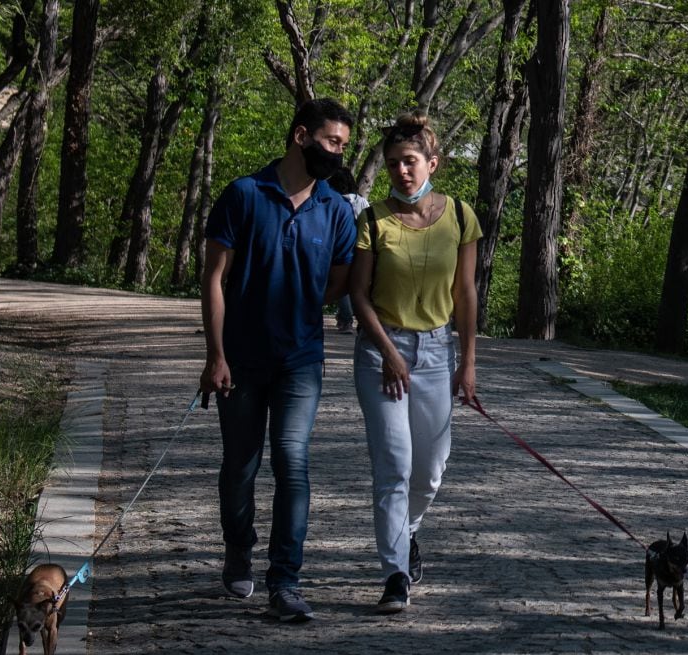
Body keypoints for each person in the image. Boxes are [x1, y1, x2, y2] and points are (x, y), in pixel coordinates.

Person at [199, 97, 356, 623]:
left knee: (293, 462)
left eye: (343, 146)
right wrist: (216, 355)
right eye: (332, 142)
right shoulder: (244, 194)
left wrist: (305, 301)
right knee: (241, 467)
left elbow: (338, 282)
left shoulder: (334, 208)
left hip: (300, 362)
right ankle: (238, 547)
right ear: (300, 136)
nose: (337, 154)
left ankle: (285, 579)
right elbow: (213, 278)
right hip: (240, 361)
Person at [348, 113, 481, 614]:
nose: (401, 172)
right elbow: (358, 296)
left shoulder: (461, 216)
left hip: (437, 352)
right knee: (395, 468)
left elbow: (465, 294)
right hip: (381, 352)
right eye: (392, 164)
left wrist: (467, 363)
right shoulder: (372, 219)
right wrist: (386, 351)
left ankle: (409, 532)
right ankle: (395, 574)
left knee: (430, 471)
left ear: (432, 163)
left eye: (409, 162)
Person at [328, 168, 370, 334]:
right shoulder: (361, 200)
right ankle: (363, 320)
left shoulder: (334, 201)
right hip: (362, 246)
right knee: (362, 283)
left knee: (342, 282)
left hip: (340, 245)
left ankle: (346, 320)